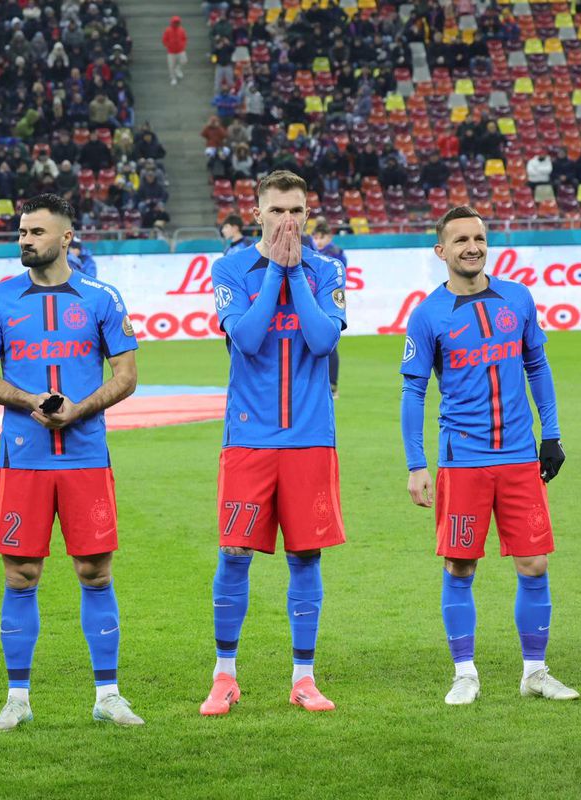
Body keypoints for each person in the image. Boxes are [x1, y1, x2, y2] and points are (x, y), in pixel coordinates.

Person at [0, 193, 143, 730]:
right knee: (21, 574)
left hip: (86, 458)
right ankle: (17, 699)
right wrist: (34, 403)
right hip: (22, 460)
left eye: (37, 232)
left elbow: (127, 375)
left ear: (66, 238)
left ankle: (108, 695)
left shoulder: (102, 297)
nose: (25, 240)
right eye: (22, 231)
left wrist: (77, 410)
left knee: (94, 570)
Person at [403, 205, 575, 705]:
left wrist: (552, 435)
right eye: (460, 240)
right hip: (464, 462)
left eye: (479, 238)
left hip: (520, 458)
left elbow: (537, 365)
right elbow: (413, 392)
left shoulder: (518, 299)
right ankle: (464, 673)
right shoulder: (428, 314)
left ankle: (535, 672)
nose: (472, 247)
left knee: (535, 565)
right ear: (442, 252)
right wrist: (417, 463)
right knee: (460, 567)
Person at [201, 170, 347, 716]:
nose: (289, 220)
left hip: (311, 438)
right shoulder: (231, 268)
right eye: (278, 210)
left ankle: (304, 678)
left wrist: (296, 275)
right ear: (257, 213)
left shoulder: (327, 268)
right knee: (234, 552)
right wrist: (275, 276)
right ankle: (224, 676)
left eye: (297, 211)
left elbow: (322, 338)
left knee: (305, 555)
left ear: (308, 214)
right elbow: (247, 337)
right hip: (250, 437)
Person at [311, 218, 345, 398]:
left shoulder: (334, 253)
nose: (318, 241)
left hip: (328, 302)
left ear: (329, 237)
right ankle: (323, 384)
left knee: (330, 343)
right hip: (318, 302)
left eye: (321, 237)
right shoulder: (315, 253)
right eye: (315, 237)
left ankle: (332, 385)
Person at [162, 16, 187, 86]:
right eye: (175, 22)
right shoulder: (168, 30)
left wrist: (183, 45)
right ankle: (173, 78)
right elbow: (164, 40)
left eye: (178, 22)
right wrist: (168, 45)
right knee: (171, 66)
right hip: (171, 52)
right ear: (172, 23)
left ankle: (178, 69)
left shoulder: (182, 30)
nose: (176, 24)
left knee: (184, 61)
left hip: (180, 50)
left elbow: (184, 38)